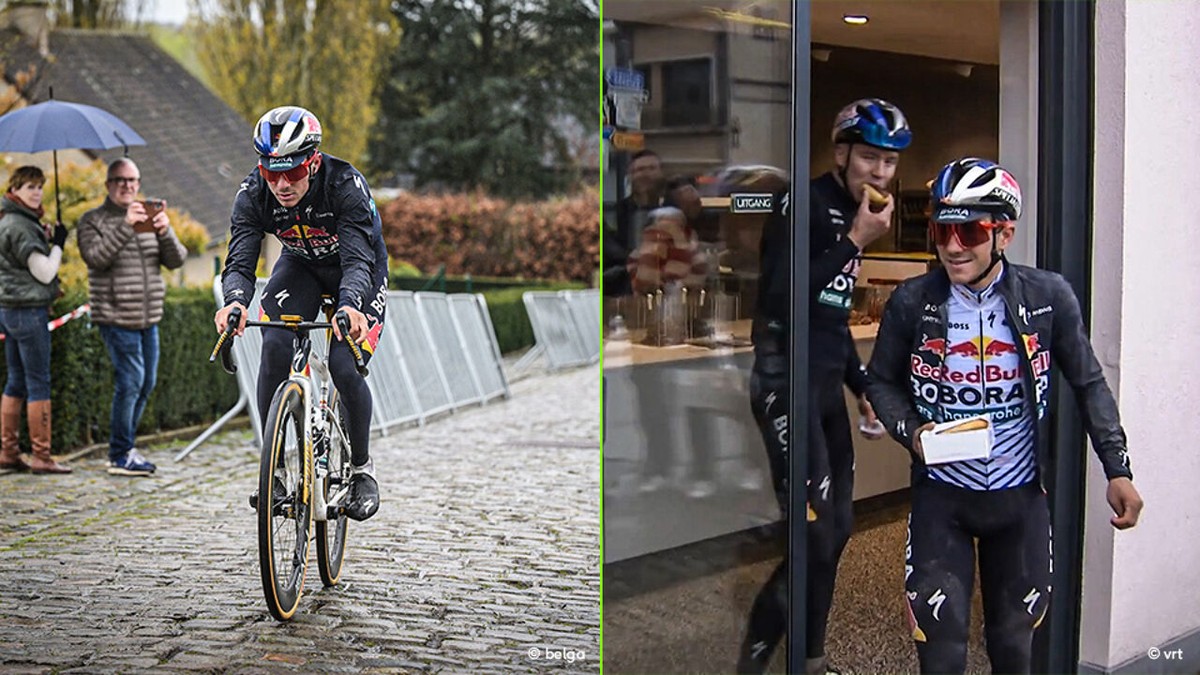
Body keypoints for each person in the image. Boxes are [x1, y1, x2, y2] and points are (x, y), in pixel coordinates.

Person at [865, 157, 1144, 673]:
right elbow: (879, 380)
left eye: (969, 230)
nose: (952, 246)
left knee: (1015, 651)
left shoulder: (1048, 296)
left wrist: (1118, 468)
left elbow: (1088, 382)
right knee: (941, 657)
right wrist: (912, 432)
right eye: (942, 229)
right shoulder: (912, 301)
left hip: (1019, 503)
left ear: (1005, 233)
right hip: (940, 500)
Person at [737, 98, 910, 675]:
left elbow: (831, 318)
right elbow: (785, 297)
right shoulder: (803, 203)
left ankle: (809, 662)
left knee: (835, 535)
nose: (880, 173)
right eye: (869, 158)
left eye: (889, 161)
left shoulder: (857, 210)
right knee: (808, 543)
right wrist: (856, 241)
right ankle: (754, 663)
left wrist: (862, 386)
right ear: (841, 153)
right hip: (785, 384)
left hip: (826, 389)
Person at [214, 105, 389, 522]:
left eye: (291, 172)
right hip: (302, 267)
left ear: (312, 162)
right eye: (271, 172)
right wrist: (235, 302)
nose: (281, 184)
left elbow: (358, 260)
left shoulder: (344, 185)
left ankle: (363, 471)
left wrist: (349, 305)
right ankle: (273, 471)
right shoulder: (254, 192)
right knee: (274, 344)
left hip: (357, 269)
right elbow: (239, 261)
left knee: (344, 365)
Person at [77, 159, 187, 476]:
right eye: (121, 180)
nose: (128, 185)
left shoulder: (149, 217)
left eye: (133, 180)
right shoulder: (92, 221)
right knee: (130, 382)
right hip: (114, 316)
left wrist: (165, 232)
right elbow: (96, 258)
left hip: (148, 316)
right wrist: (125, 226)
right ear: (108, 184)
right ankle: (120, 452)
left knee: (146, 383)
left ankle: (126, 448)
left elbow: (177, 260)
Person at [0, 166, 70, 474]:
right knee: (38, 381)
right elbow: (44, 271)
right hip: (28, 312)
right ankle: (42, 456)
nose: (37, 193)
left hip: (9, 310)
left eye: (40, 187)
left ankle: (8, 451)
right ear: (14, 190)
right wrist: (59, 244)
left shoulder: (11, 220)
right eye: (30, 187)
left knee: (15, 380)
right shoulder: (21, 226)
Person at [603, 149, 666, 297]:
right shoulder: (617, 212)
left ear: (661, 173)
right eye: (640, 170)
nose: (646, 174)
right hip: (624, 289)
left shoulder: (673, 208)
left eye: (651, 168)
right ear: (630, 176)